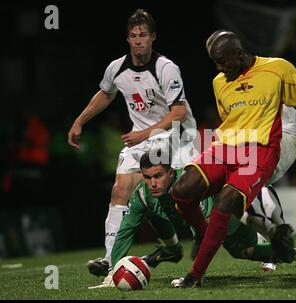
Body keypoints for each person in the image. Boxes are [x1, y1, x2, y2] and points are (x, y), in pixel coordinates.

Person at [171, 30, 296, 287]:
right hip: (224, 147)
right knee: (181, 191)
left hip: (259, 151)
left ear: (239, 54)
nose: (219, 68)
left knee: (225, 203)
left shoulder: (277, 69)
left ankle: (195, 275)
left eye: (222, 62)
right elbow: (229, 119)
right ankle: (209, 233)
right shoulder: (219, 82)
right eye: (215, 62)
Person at [67, 9, 198, 280]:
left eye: (143, 35)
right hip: (142, 137)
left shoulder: (166, 68)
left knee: (174, 197)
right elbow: (105, 93)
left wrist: (145, 134)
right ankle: (110, 258)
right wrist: (79, 121)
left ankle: (209, 241)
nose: (138, 40)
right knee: (121, 189)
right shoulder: (117, 68)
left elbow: (179, 113)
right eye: (133, 36)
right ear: (127, 39)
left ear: (153, 38)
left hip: (174, 135)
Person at [88, 150, 296, 289]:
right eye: (148, 177)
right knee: (154, 212)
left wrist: (195, 275)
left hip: (224, 212)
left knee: (244, 252)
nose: (153, 183)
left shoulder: (187, 185)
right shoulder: (142, 194)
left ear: (171, 173)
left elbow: (206, 231)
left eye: (158, 176)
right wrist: (113, 269)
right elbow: (126, 231)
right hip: (194, 223)